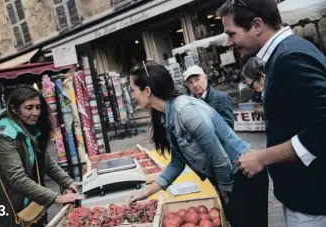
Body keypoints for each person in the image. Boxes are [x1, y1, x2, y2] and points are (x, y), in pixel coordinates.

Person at [218, 0, 326, 226]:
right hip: (304, 196)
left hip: (312, 200)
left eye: (232, 33)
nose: (228, 42)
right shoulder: (286, 52)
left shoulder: (290, 57)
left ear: (257, 25)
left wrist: (262, 158)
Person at [127, 61, 268, 227]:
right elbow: (177, 163)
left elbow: (219, 159)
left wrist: (225, 193)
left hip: (244, 175)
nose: (132, 96)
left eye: (133, 90)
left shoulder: (186, 111)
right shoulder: (168, 115)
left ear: (148, 90)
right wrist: (146, 193)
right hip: (232, 179)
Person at [0, 85, 83, 227]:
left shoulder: (29, 128)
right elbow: (18, 179)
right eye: (29, 107)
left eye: (38, 107)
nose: (35, 112)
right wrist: (56, 197)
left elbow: (46, 161)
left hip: (29, 203)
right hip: (7, 207)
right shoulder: (4, 136)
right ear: (14, 110)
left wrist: (68, 182)